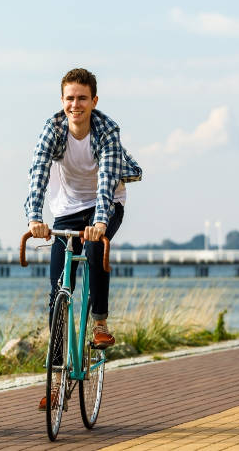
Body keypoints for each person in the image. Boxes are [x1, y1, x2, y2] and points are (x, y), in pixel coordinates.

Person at [24, 67, 142, 410]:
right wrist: (35, 217)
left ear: (94, 101)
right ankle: (58, 378)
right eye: (69, 98)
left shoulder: (106, 131)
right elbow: (37, 172)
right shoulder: (54, 128)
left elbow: (106, 182)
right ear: (62, 101)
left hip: (106, 204)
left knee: (93, 250)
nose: (75, 105)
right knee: (58, 286)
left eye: (82, 98)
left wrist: (101, 223)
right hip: (68, 208)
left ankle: (100, 323)